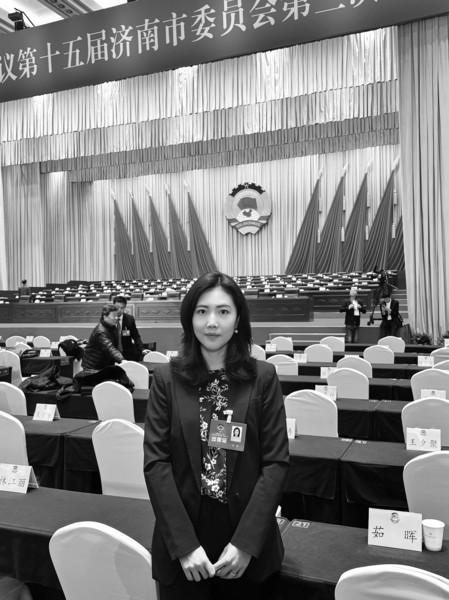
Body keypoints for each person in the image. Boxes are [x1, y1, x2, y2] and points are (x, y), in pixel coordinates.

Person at [143, 272, 289, 600]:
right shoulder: (166, 378)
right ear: (189, 319)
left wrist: (246, 543)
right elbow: (156, 464)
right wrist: (183, 545)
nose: (212, 322)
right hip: (183, 540)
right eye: (202, 311)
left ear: (238, 320)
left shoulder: (263, 377)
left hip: (246, 539)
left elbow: (276, 463)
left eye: (223, 311)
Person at [81, 304, 124, 372]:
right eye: (113, 316)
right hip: (92, 367)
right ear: (105, 316)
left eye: (117, 315)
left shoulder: (112, 327)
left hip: (104, 364)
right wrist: (122, 360)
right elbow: (109, 347)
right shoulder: (101, 331)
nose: (116, 318)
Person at [113, 295, 149, 361]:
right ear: (113, 306)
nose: (119, 310)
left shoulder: (129, 319)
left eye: (122, 308)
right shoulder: (108, 319)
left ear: (125, 307)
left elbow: (136, 336)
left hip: (127, 354)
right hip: (112, 354)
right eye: (117, 307)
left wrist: (142, 349)